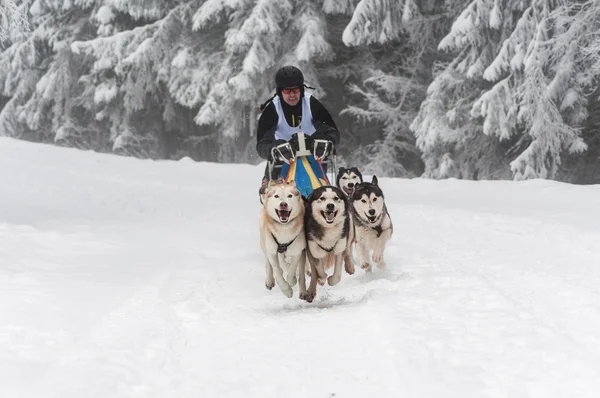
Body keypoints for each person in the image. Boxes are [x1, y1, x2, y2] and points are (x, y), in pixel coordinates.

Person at [256, 65, 340, 195]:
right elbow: (262, 146)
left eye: (295, 90)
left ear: (301, 89)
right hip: (283, 160)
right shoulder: (272, 109)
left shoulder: (311, 104)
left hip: (313, 156)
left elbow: (332, 132)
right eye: (286, 91)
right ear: (280, 92)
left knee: (318, 194)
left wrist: (325, 140)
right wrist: (273, 148)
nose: (291, 95)